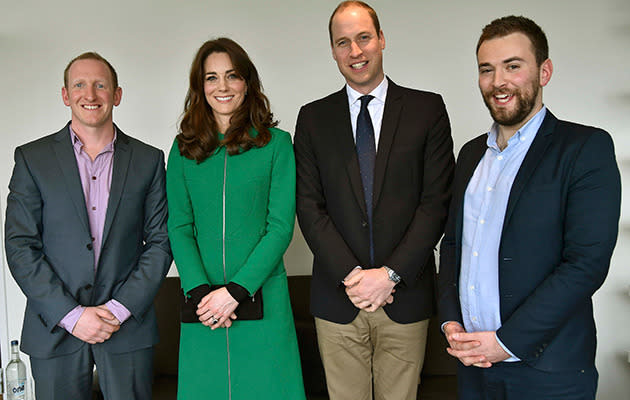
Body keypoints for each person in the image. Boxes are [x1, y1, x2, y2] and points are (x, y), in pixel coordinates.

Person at [437, 15, 621, 400]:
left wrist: (507, 342)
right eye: (486, 70)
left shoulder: (585, 148)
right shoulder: (471, 154)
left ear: (545, 71)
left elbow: (586, 264)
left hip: (548, 371)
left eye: (513, 66)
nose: (498, 81)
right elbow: (453, 245)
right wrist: (450, 319)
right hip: (473, 366)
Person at [294, 2, 455, 399]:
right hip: (338, 298)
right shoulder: (313, 118)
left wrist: (390, 275)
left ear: (381, 39)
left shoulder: (426, 109)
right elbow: (309, 207)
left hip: (405, 295)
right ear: (333, 51)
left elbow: (436, 202)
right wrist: (353, 276)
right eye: (343, 42)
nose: (355, 51)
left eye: (364, 37)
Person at [4, 52, 172, 400]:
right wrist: (71, 315)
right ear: (66, 95)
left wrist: (117, 310)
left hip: (127, 327)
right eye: (79, 85)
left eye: (100, 85)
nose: (90, 95)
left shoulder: (149, 159)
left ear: (117, 94)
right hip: (54, 326)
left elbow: (160, 242)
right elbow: (20, 244)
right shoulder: (32, 159)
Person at [166, 37, 306, 400]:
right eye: (211, 78)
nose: (222, 87)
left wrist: (237, 291)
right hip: (203, 306)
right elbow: (180, 228)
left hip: (263, 298)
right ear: (200, 87)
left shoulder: (277, 144)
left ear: (248, 82)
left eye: (232, 76)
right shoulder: (183, 150)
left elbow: (279, 227)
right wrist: (202, 294)